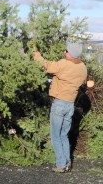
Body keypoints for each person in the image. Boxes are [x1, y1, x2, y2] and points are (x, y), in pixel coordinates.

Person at [33, 42, 87, 173]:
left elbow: (45, 65)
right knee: (64, 135)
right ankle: (67, 163)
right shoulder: (83, 68)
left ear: (71, 54)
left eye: (66, 51)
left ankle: (61, 165)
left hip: (59, 104)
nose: (64, 52)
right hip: (70, 105)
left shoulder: (64, 64)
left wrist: (35, 52)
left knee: (56, 136)